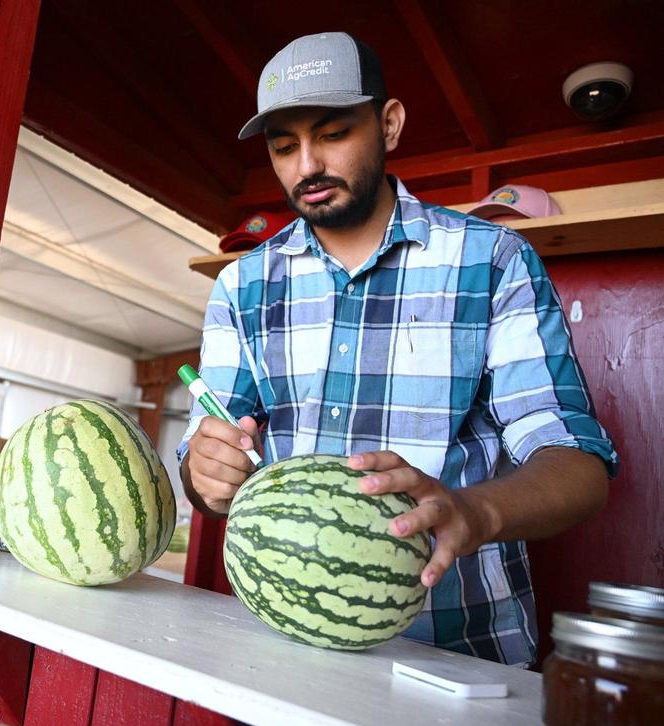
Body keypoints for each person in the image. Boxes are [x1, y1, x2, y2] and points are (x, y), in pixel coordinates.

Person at [176, 32, 617, 666]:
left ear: (389, 125)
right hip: (283, 652)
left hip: (460, 656)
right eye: (283, 145)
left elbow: (578, 464)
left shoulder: (490, 260)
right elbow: (207, 443)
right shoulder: (241, 285)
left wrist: (474, 510)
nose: (307, 167)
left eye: (331, 134)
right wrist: (203, 473)